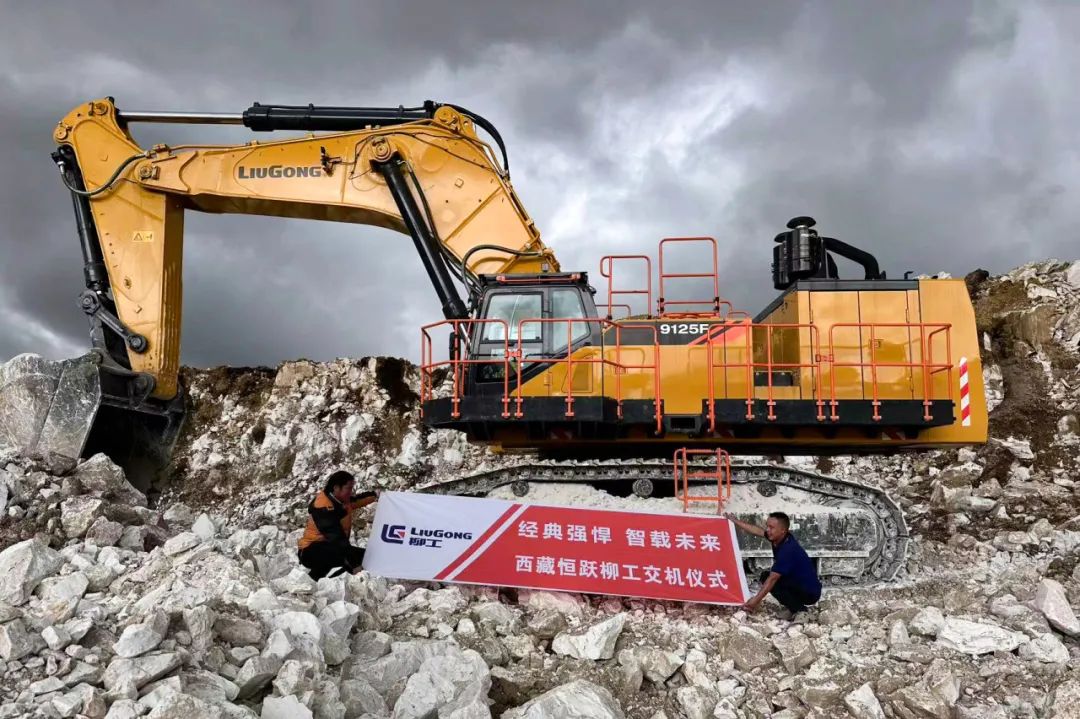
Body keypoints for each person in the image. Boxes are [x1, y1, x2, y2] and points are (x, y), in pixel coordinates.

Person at [725, 510, 821, 617]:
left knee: (771, 581)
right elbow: (757, 531)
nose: (768, 530)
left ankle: (801, 611)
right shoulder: (779, 537)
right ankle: (794, 608)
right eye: (767, 526)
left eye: (771, 528)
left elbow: (772, 579)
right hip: (798, 583)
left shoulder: (788, 550)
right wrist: (735, 521)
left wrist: (754, 602)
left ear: (783, 530)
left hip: (810, 591)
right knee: (765, 576)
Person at [297, 470, 379, 580]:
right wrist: (354, 564)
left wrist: (376, 496)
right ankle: (358, 579)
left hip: (327, 547)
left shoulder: (341, 501)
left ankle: (312, 580)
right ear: (336, 488)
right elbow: (336, 538)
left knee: (350, 555)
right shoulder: (323, 507)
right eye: (348, 488)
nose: (351, 491)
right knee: (354, 556)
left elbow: (357, 500)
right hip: (309, 551)